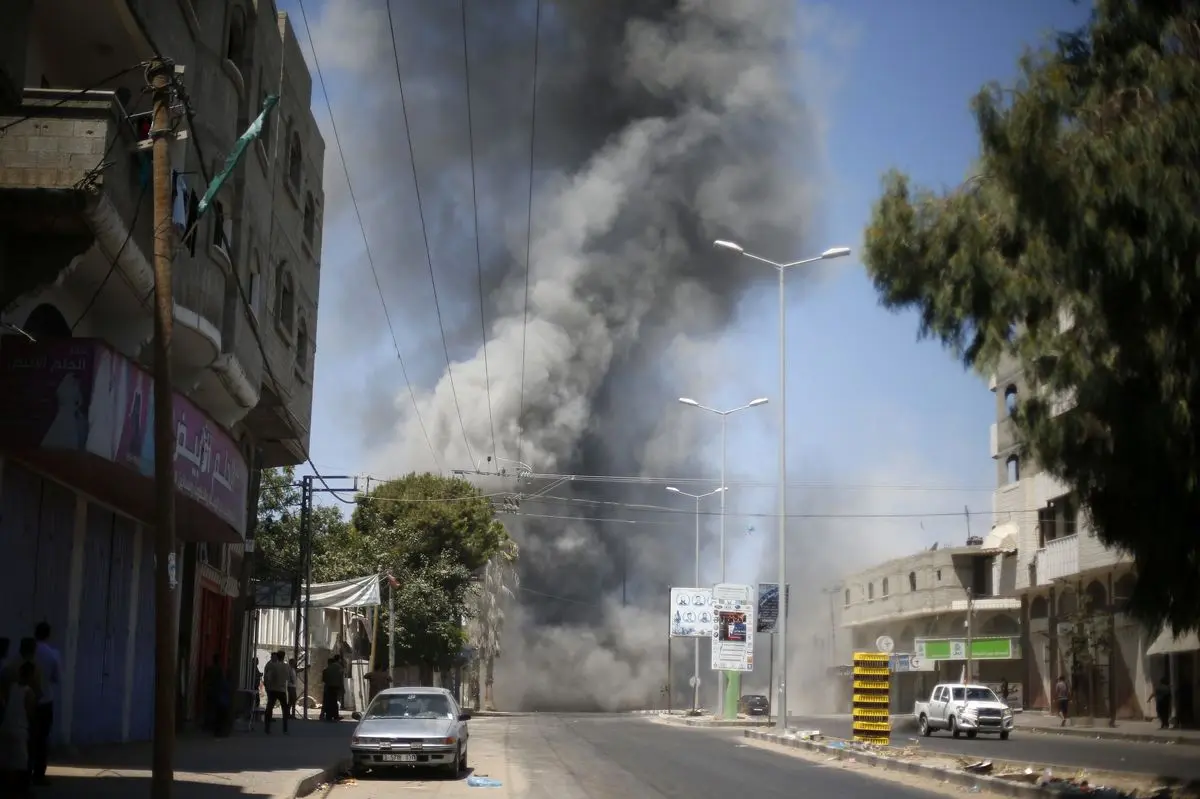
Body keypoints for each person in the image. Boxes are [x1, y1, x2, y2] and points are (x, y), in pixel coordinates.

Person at [1, 662, 36, 797]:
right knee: (21, 764)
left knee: (5, 760)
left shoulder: (11, 688)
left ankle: (5, 788)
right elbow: (30, 712)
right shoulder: (29, 692)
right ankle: (20, 791)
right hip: (20, 730)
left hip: (5, 727)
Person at [262, 652, 289, 735]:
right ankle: (285, 729)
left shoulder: (273, 666)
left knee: (269, 708)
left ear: (277, 657)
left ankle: (267, 728)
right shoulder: (286, 666)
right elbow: (288, 677)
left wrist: (268, 686)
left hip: (273, 690)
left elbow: (267, 677)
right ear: (284, 657)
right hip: (282, 690)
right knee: (285, 709)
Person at [321, 657, 344, 722]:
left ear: (329, 662)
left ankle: (328, 715)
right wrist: (342, 688)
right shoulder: (339, 668)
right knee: (334, 701)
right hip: (336, 687)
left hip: (328, 687)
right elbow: (341, 678)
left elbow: (324, 680)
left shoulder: (326, 669)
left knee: (328, 701)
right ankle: (335, 716)